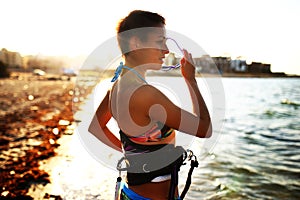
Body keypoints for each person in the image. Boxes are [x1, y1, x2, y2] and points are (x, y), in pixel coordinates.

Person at [88, 10, 212, 200]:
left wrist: (131, 154)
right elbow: (204, 128)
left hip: (130, 195)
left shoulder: (116, 88)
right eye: (159, 41)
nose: (166, 50)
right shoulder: (146, 95)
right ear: (136, 43)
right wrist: (191, 80)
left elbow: (96, 127)